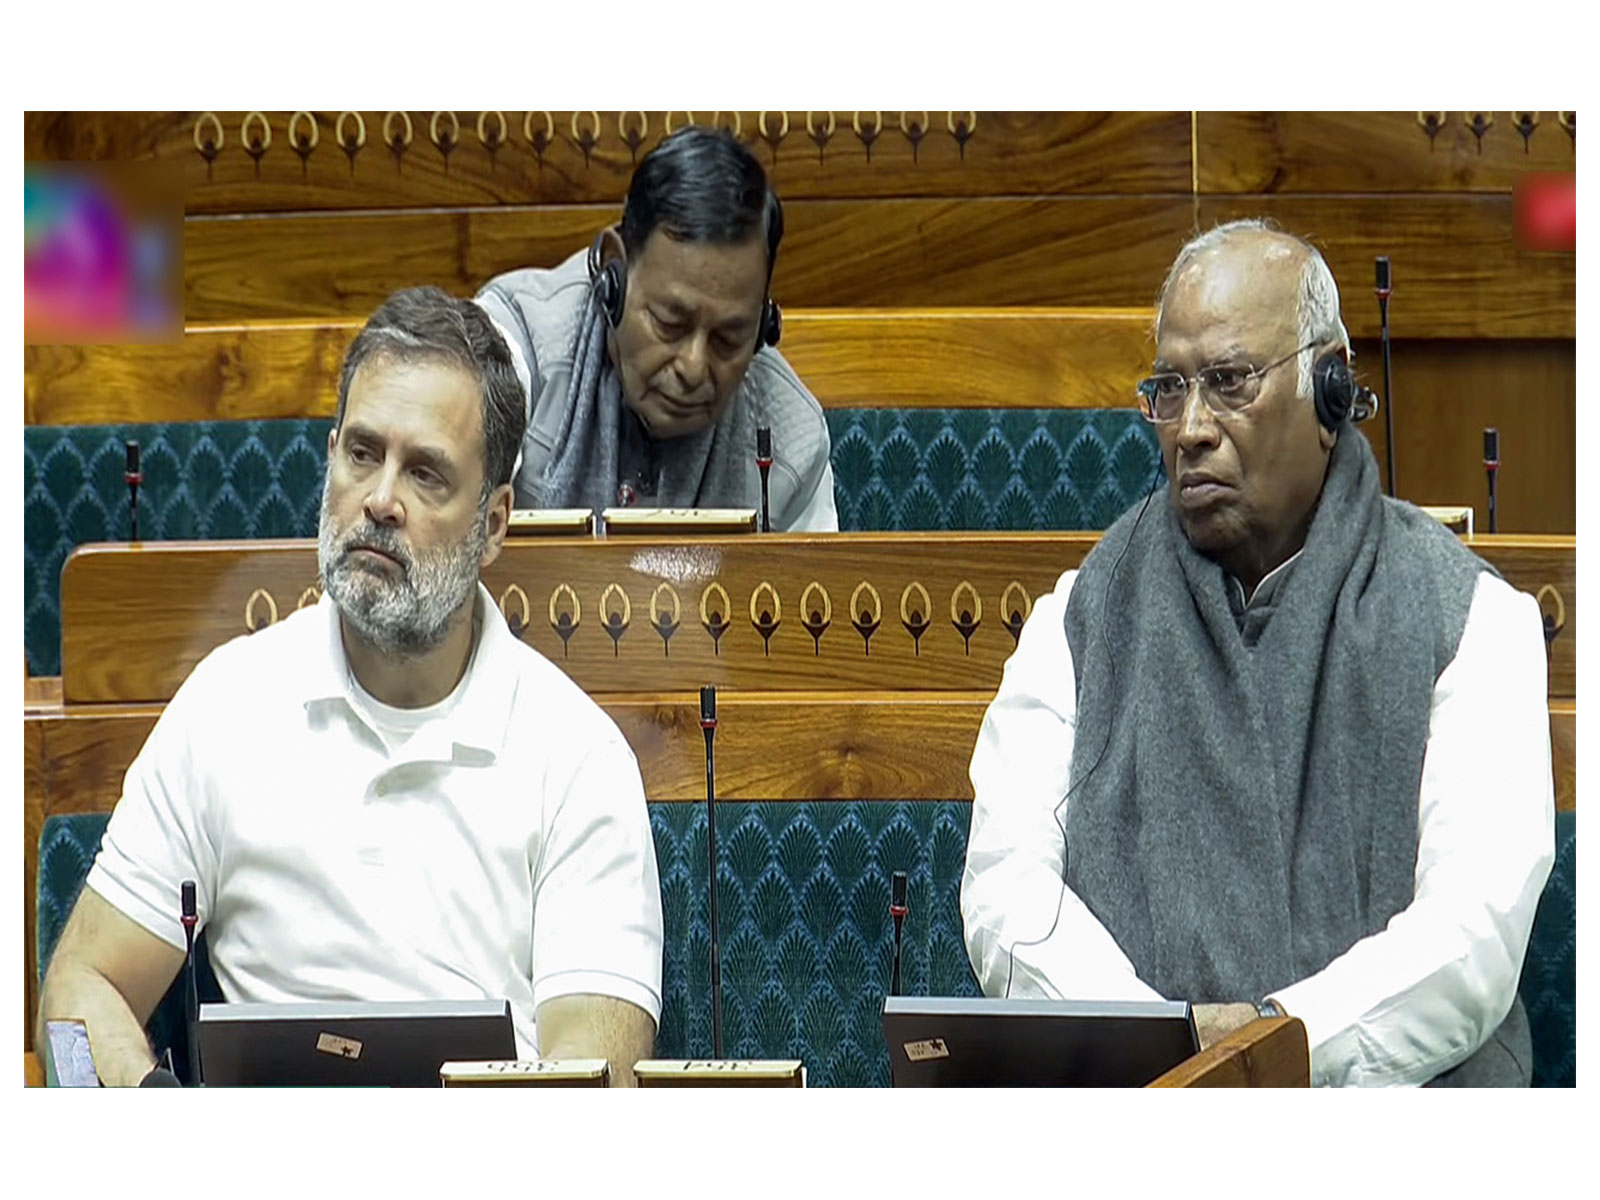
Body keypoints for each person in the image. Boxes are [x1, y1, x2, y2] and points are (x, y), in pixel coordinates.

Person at [960, 220, 1555, 1086]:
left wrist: (1271, 1047)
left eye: (1229, 381)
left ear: (1329, 390)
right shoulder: (1078, 618)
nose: (1192, 427)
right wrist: (1168, 1058)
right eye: (1169, 388)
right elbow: (1006, 891)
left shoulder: (1472, 620)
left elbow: (1475, 932)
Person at [37, 286, 664, 1086]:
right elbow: (80, 988)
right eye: (362, 453)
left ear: (495, 524)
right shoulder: (225, 705)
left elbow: (595, 1080)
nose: (380, 500)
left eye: (427, 473)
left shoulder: (577, 758)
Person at [475, 125, 837, 531]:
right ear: (614, 275)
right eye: (670, 324)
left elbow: (810, 592)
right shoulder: (511, 348)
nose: (694, 367)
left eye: (729, 339)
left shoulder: (793, 439)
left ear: (762, 328)